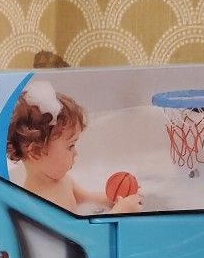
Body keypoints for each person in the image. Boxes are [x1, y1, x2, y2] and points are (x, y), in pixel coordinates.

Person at [7, 80, 142, 213]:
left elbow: (89, 199)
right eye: (70, 146)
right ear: (36, 151)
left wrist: (119, 200)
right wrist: (119, 212)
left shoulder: (63, 181)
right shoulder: (39, 204)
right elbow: (76, 229)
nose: (75, 153)